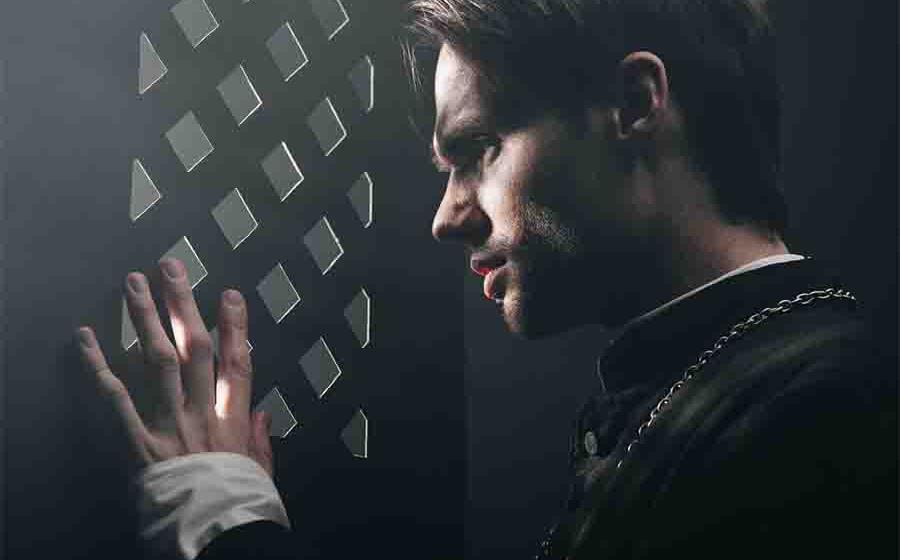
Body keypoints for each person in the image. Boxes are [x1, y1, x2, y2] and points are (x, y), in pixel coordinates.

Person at [75, 1, 897, 559]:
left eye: (476, 149)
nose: (445, 215)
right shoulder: (735, 383)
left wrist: (222, 521)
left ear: (635, 103)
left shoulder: (821, 420)